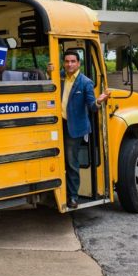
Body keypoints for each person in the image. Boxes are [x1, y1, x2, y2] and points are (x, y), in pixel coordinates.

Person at [53, 49, 111, 209]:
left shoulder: (85, 82)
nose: (69, 64)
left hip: (74, 128)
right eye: (67, 61)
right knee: (58, 159)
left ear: (78, 63)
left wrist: (99, 101)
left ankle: (73, 197)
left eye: (73, 61)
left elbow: (92, 107)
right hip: (58, 125)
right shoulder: (59, 78)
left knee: (71, 162)